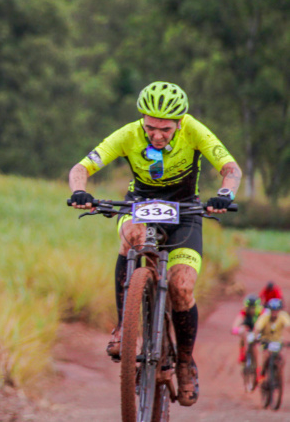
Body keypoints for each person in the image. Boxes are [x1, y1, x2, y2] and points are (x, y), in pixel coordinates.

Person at [68, 81, 242, 407]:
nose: (157, 135)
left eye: (165, 129)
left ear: (179, 123)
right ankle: (124, 328)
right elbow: (82, 166)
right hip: (140, 205)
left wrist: (224, 195)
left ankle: (186, 361)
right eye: (150, 128)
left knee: (182, 286)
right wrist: (80, 190)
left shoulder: (195, 130)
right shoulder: (129, 134)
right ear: (142, 120)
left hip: (185, 212)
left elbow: (230, 169)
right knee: (132, 236)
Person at [253, 298, 290, 383]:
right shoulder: (264, 317)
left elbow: (288, 326)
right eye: (273, 310)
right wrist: (256, 338)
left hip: (277, 340)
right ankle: (262, 374)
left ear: (280, 310)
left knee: (282, 358)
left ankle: (278, 375)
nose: (274, 313)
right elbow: (257, 328)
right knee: (265, 357)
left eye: (276, 310)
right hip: (265, 340)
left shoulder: (283, 316)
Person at [231, 294, 262, 363]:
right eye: (249, 308)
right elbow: (237, 321)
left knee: (259, 347)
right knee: (242, 331)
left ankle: (259, 368)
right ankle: (242, 353)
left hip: (258, 328)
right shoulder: (244, 311)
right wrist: (235, 329)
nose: (251, 310)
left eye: (253, 308)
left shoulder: (261, 311)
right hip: (248, 327)